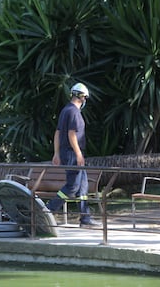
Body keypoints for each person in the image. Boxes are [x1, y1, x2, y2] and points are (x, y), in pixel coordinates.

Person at [46, 82, 102, 228]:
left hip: (67, 152)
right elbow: (72, 134)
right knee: (72, 186)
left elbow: (57, 133)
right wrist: (78, 154)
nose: (85, 101)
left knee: (83, 187)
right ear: (82, 97)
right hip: (72, 153)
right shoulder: (74, 112)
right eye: (85, 98)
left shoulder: (65, 110)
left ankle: (85, 219)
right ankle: (48, 210)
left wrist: (56, 153)